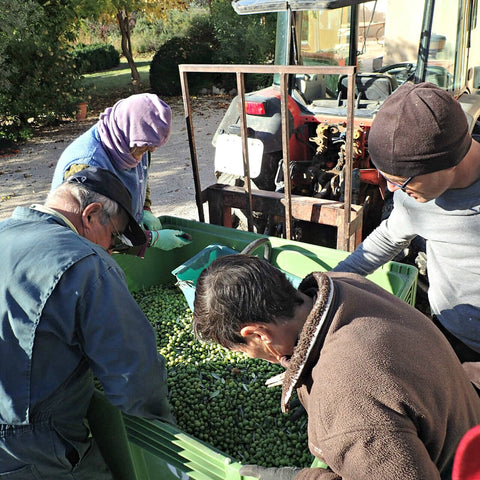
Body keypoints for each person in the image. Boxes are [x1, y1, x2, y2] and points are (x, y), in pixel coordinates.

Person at [192, 254, 480, 480]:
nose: (251, 357)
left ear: (257, 335)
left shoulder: (346, 399)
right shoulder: (342, 285)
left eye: (244, 350)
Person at [0, 167, 174, 479]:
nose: (112, 250)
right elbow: (133, 379)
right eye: (116, 238)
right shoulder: (87, 264)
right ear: (92, 215)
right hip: (29, 445)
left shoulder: (4, 232)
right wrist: (169, 431)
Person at [332, 81, 480, 363]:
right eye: (386, 178)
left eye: (400, 181)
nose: (390, 190)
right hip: (449, 336)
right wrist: (331, 283)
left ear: (449, 162)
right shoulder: (416, 198)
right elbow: (388, 237)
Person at [51, 92, 191, 255]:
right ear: (129, 134)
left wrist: (145, 208)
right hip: (84, 250)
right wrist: (151, 239)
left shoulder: (134, 140)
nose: (149, 151)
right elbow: (93, 231)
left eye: (152, 147)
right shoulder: (86, 167)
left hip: (120, 238)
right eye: (146, 147)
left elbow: (141, 176)